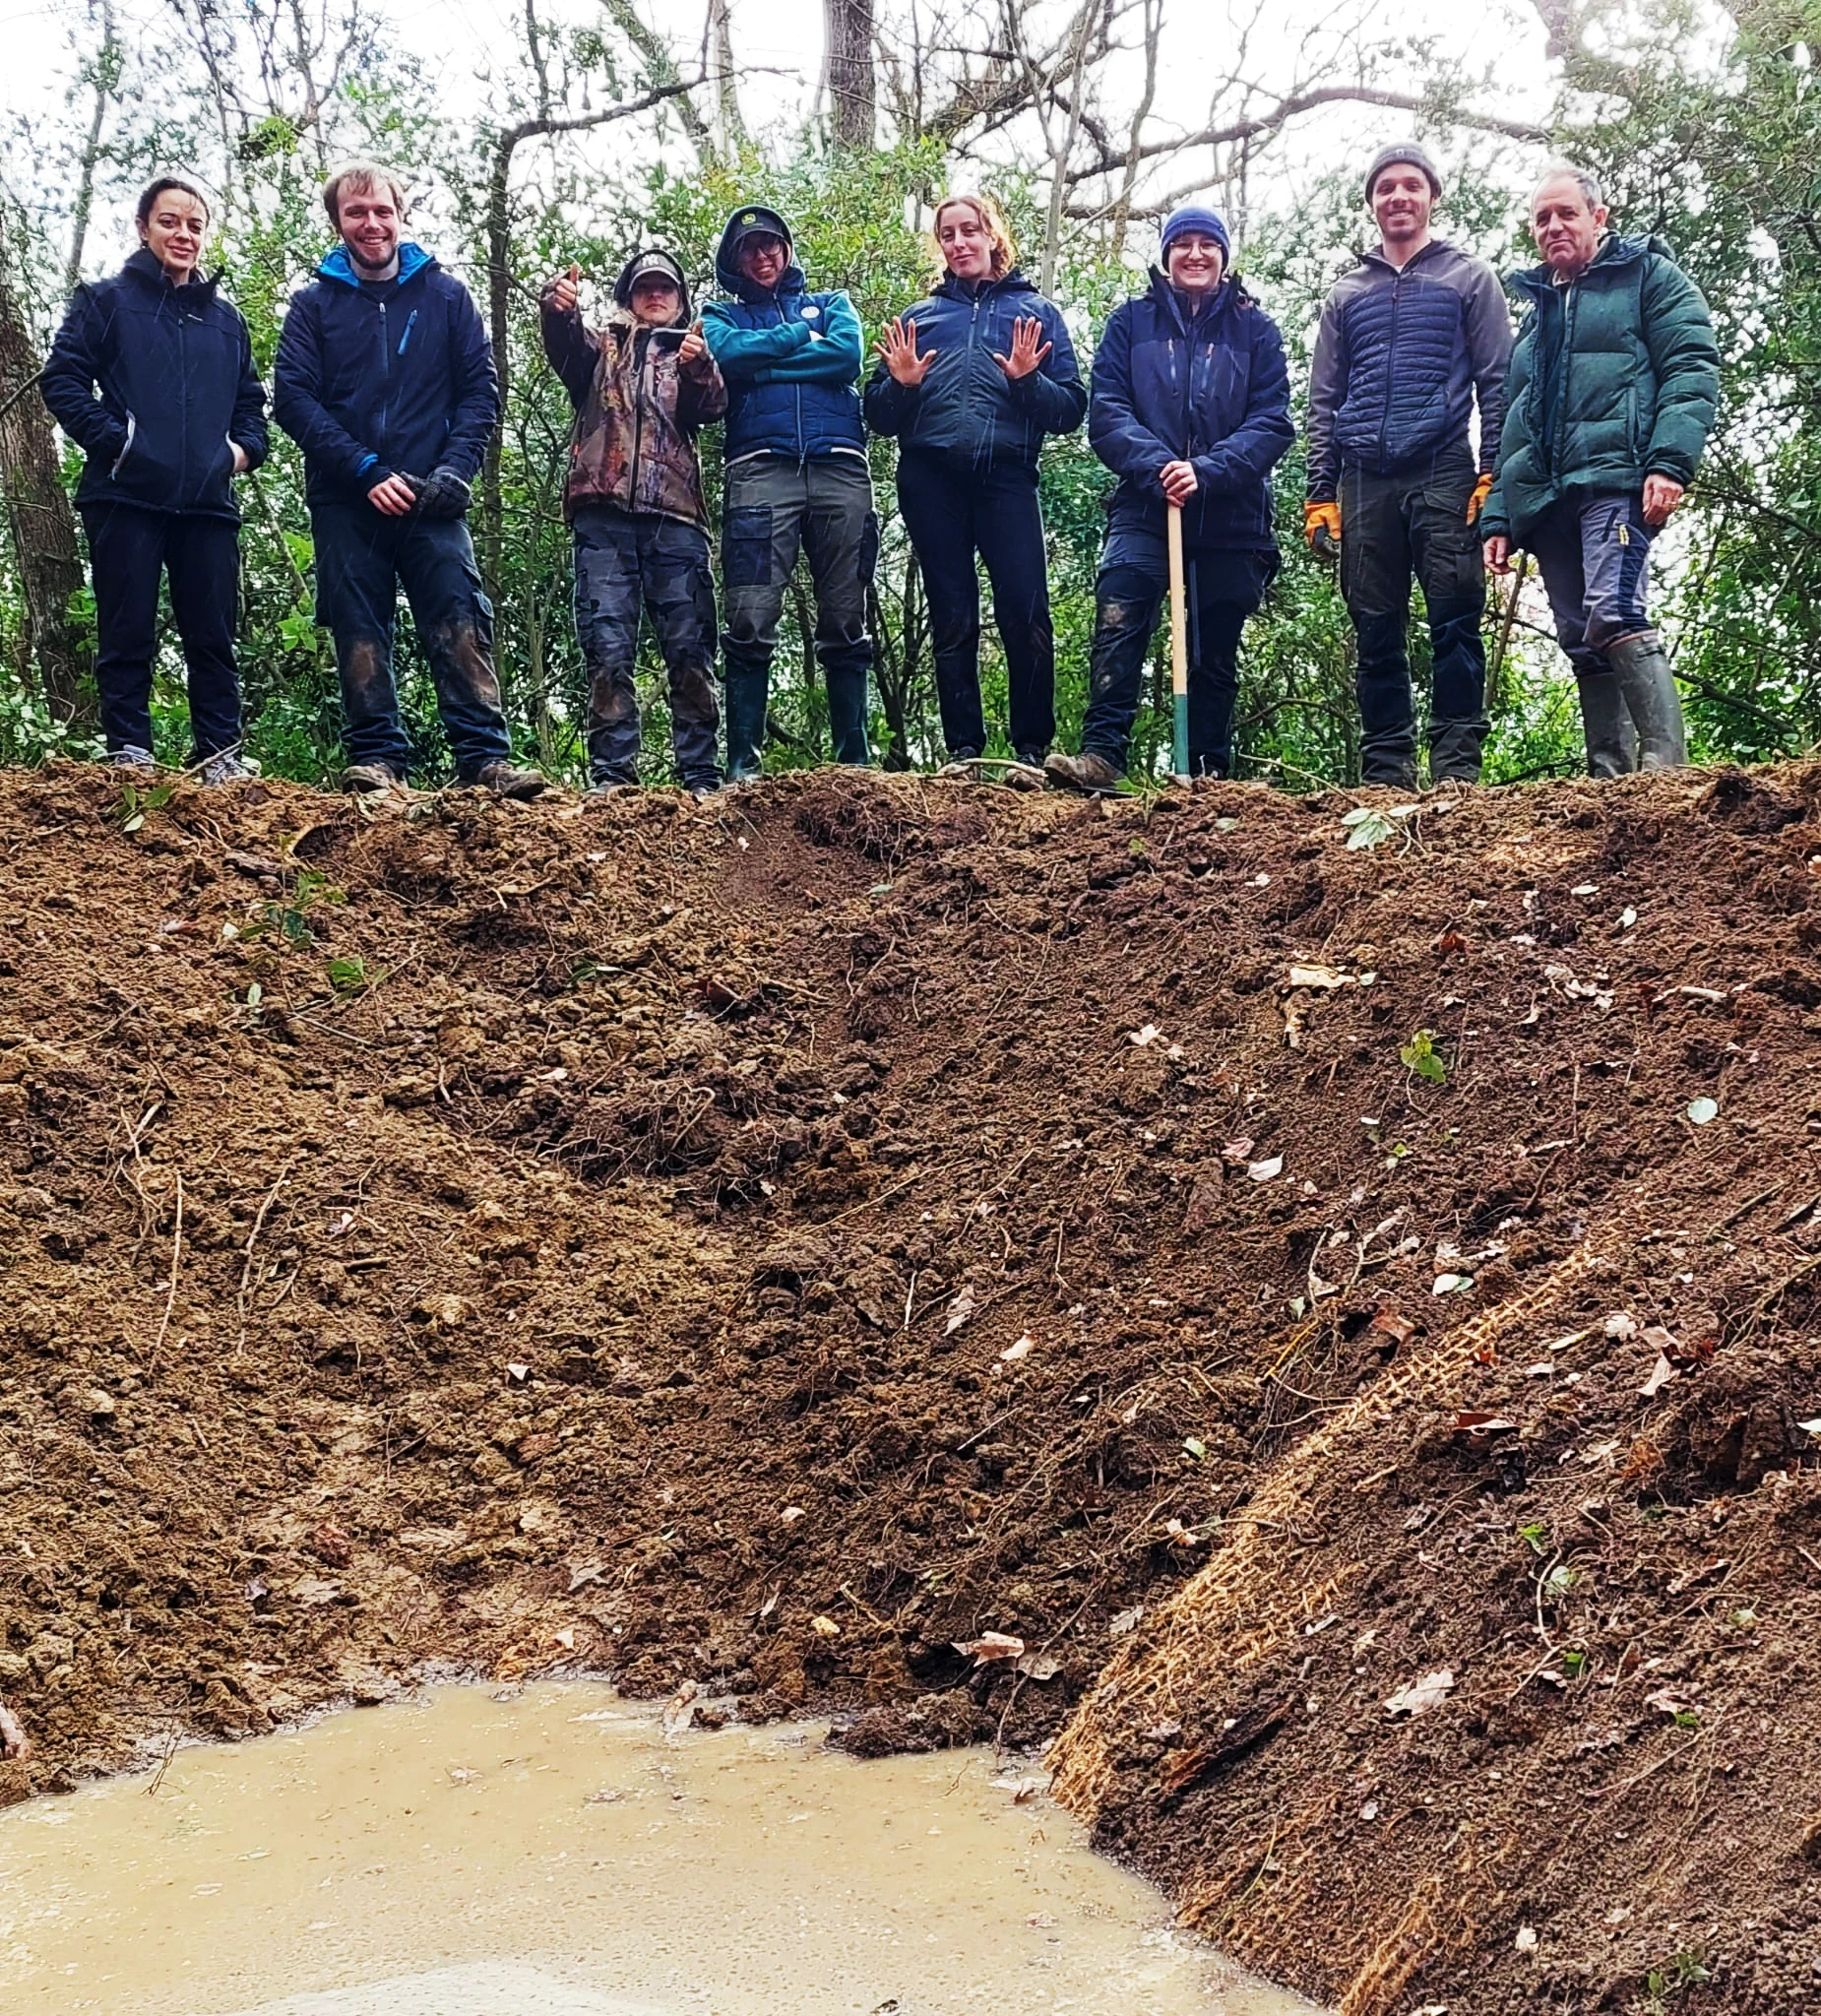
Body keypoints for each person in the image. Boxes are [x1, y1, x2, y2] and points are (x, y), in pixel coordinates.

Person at [273, 160, 543, 797]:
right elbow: (293, 399)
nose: (371, 223)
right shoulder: (312, 306)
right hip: (347, 497)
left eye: (382, 210)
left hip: (434, 496)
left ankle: (483, 759)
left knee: (461, 618)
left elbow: (480, 390)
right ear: (338, 221)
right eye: (356, 212)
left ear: (402, 214)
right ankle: (379, 761)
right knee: (359, 627)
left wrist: (455, 469)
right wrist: (364, 470)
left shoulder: (446, 296)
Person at [1045, 206, 1291, 791]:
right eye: (1183, 243)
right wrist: (1159, 467)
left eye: (1208, 244)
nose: (1196, 254)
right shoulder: (1129, 324)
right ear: (1166, 254)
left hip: (1231, 512)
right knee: (1121, 608)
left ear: (1224, 256)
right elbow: (1106, 414)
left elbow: (1273, 420)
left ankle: (1208, 771)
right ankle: (1102, 756)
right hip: (1143, 503)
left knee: (1214, 640)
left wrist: (1205, 470)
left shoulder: (1255, 329)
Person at [1481, 165, 1719, 774]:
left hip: (1617, 479)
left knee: (1614, 610)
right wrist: (1500, 515)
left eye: (1566, 213)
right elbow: (1515, 422)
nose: (1554, 226)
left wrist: (1669, 462)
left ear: (1598, 217)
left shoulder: (1650, 278)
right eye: (1542, 219)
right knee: (1576, 633)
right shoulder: (1536, 316)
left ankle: (1665, 771)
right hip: (1548, 499)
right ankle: (1608, 779)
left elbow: (1691, 369)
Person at [41, 173, 268, 784]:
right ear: (143, 228)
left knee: (213, 633)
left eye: (195, 225)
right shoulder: (105, 300)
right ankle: (129, 752)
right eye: (169, 221)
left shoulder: (228, 321)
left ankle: (220, 754)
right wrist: (121, 444)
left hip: (207, 504)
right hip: (125, 496)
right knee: (127, 625)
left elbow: (253, 408)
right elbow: (61, 381)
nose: (183, 235)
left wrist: (237, 455)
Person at [1306, 142, 1513, 787]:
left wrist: (1493, 475)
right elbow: (1323, 397)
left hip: (1442, 465)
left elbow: (1497, 380)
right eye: (1385, 188)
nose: (1398, 196)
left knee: (1455, 616)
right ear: (1371, 203)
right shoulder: (1347, 293)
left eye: (1411, 186)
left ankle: (1456, 766)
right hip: (1362, 475)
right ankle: (1386, 768)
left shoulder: (1468, 278)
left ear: (1431, 197)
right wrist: (1320, 492)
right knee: (1375, 624)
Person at [864, 193, 1087, 783]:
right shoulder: (919, 317)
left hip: (1006, 476)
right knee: (952, 614)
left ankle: (1032, 752)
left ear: (992, 235)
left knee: (1025, 610)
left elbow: (1070, 410)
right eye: (947, 235)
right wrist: (903, 386)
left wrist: (1026, 383)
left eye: (969, 231)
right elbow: (878, 414)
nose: (959, 243)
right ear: (939, 245)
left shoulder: (1035, 312)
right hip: (931, 479)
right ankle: (964, 751)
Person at [540, 249, 727, 796]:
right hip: (602, 518)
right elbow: (563, 346)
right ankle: (613, 775)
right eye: (645, 287)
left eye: (665, 287)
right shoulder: (601, 347)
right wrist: (559, 310)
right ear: (629, 295)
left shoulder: (692, 352)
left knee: (691, 649)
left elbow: (713, 406)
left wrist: (698, 364)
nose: (655, 295)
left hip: (677, 519)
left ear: (680, 299)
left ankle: (700, 775)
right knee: (607, 646)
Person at [702, 205, 875, 780]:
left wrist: (765, 365)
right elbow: (728, 357)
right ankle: (742, 767)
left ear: (787, 249)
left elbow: (846, 357)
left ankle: (854, 761)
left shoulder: (835, 304)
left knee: (847, 613)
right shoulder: (719, 315)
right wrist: (801, 335)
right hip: (758, 468)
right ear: (736, 260)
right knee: (749, 615)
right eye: (750, 247)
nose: (763, 254)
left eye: (771, 243)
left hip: (840, 466)